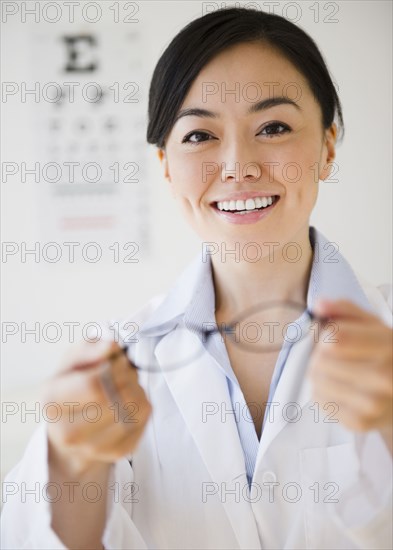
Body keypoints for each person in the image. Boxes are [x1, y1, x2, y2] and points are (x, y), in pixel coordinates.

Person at [2, 7, 392, 550]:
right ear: (164, 165)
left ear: (327, 146)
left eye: (273, 127)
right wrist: (74, 465)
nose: (237, 165)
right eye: (200, 135)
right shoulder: (119, 359)